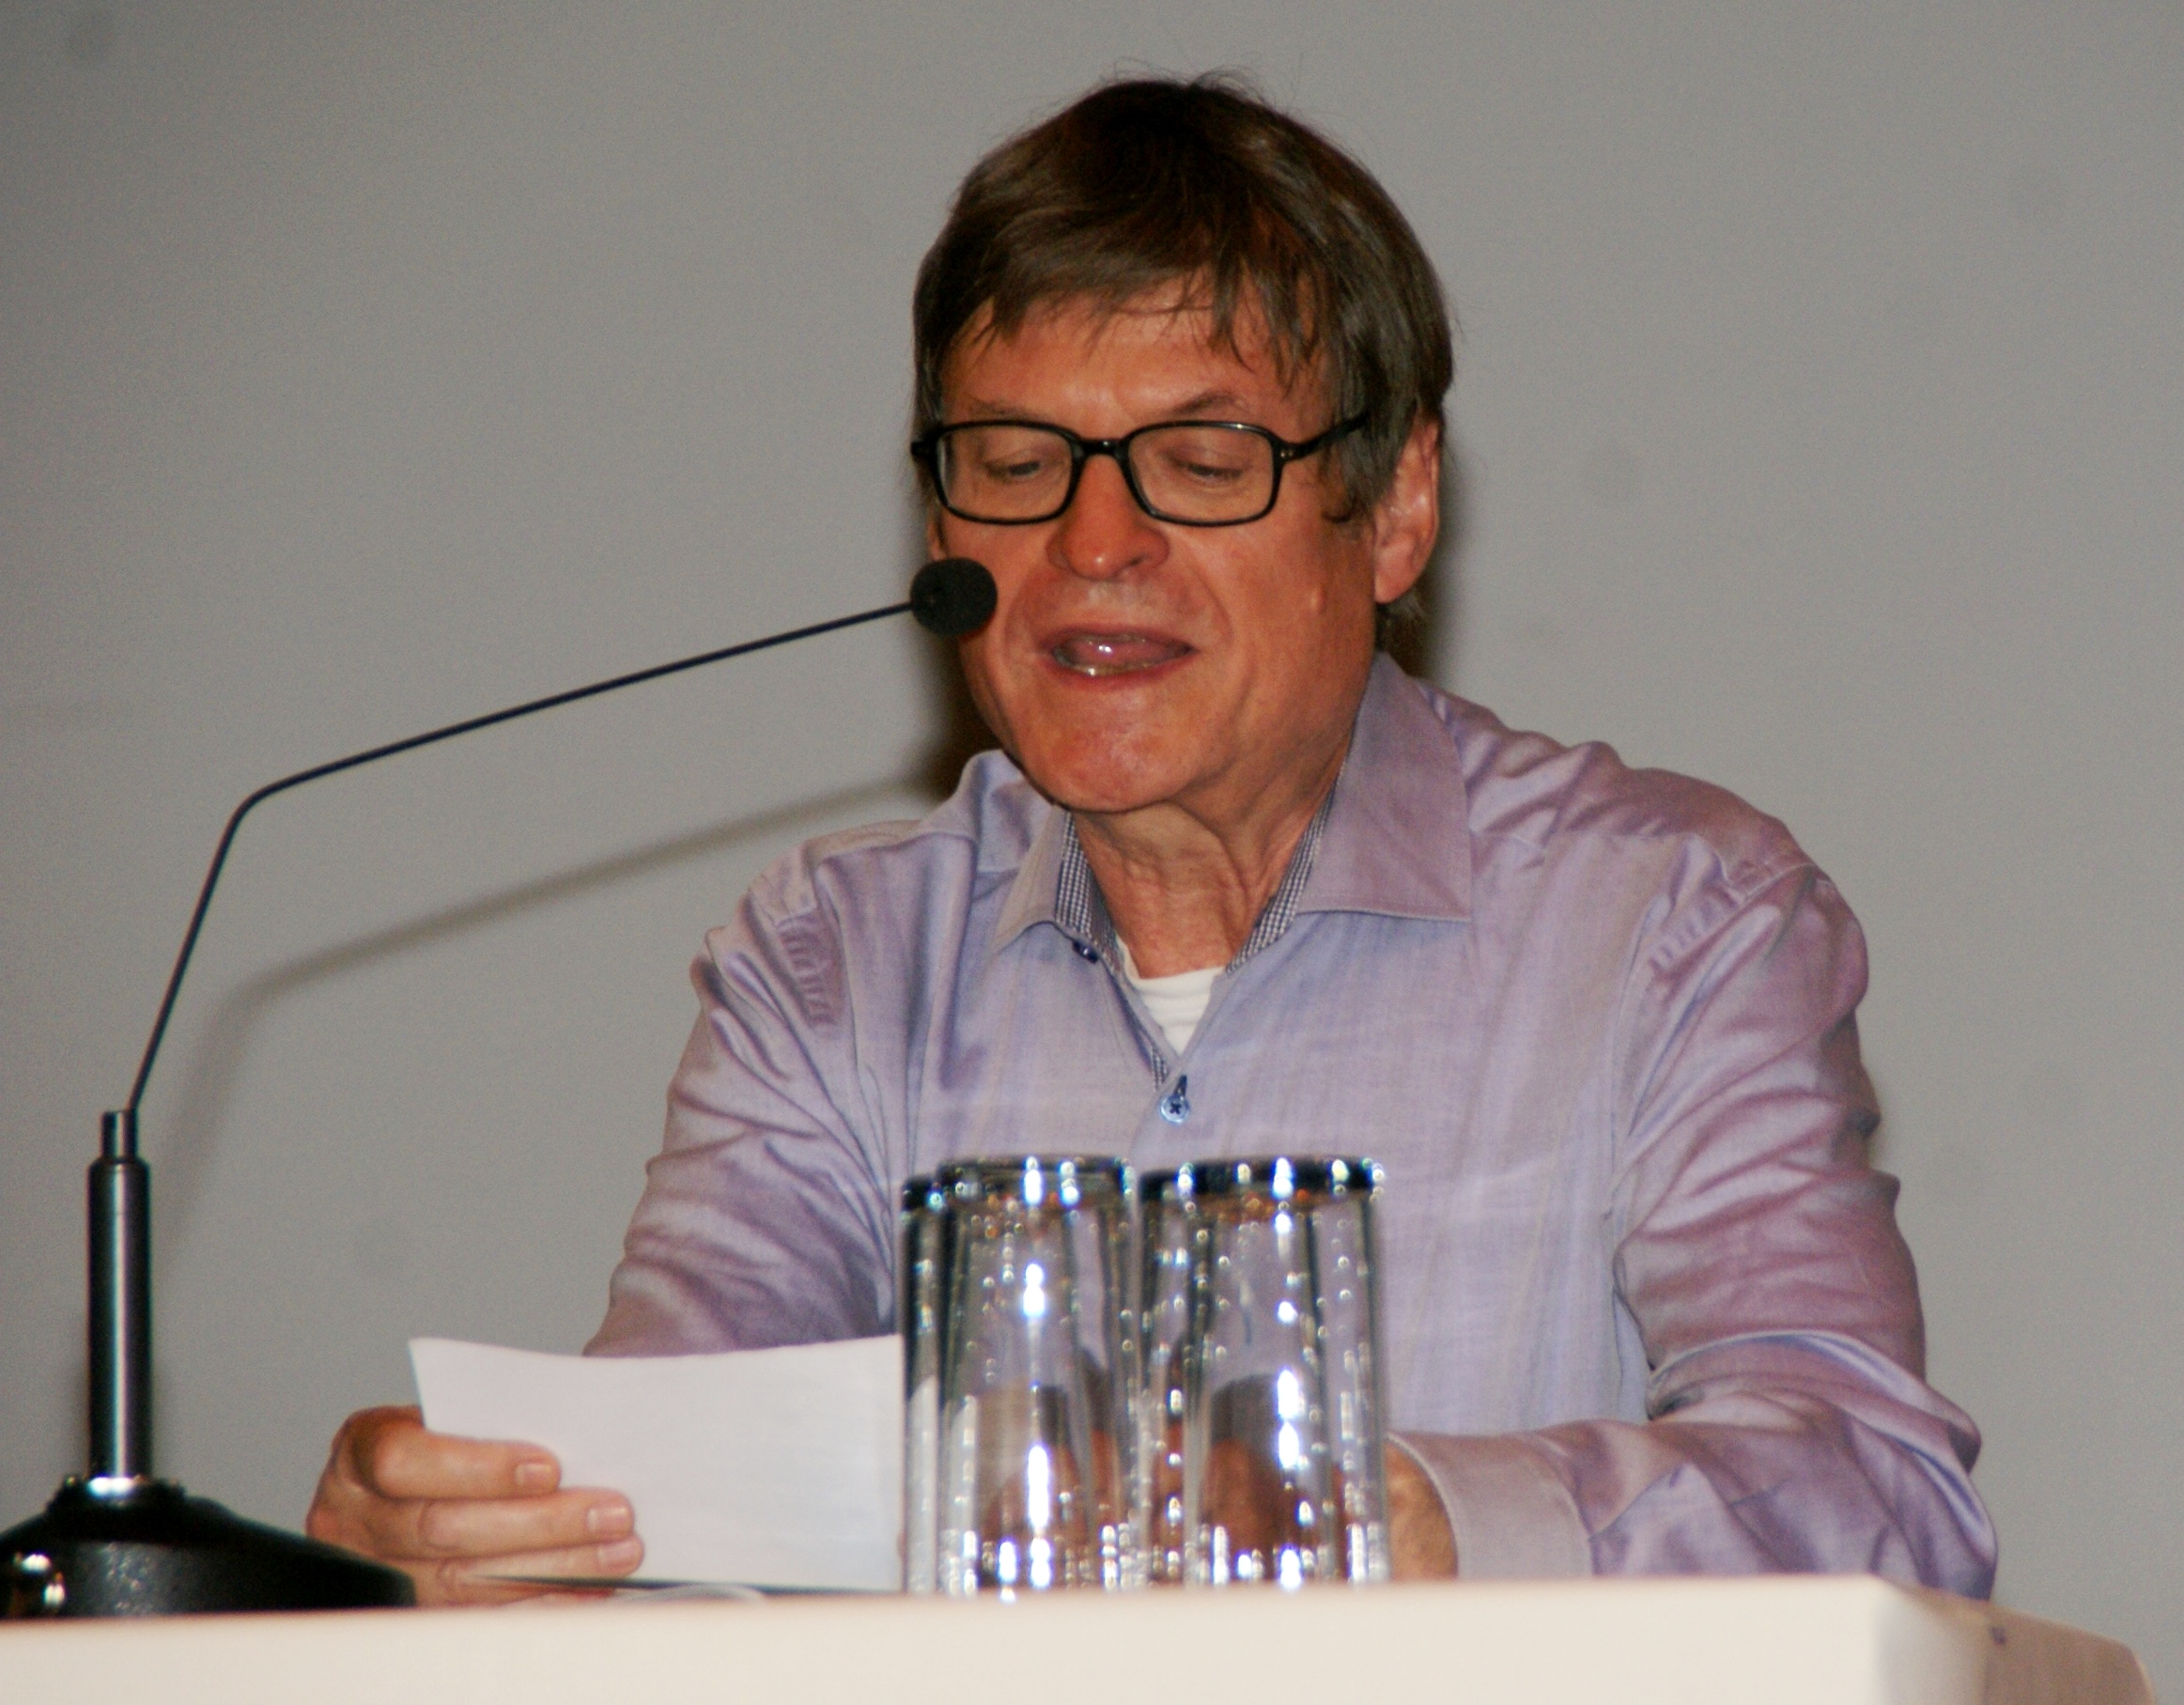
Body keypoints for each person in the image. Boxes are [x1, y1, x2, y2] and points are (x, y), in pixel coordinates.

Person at [307, 75, 1997, 1605]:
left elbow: (1872, 1496)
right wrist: (505, 1542)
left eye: (1197, 460)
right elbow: (672, 1501)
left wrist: (1399, 1519)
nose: (1090, 540)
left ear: (1393, 508)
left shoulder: (1669, 919)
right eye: (1013, 461)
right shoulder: (832, 963)